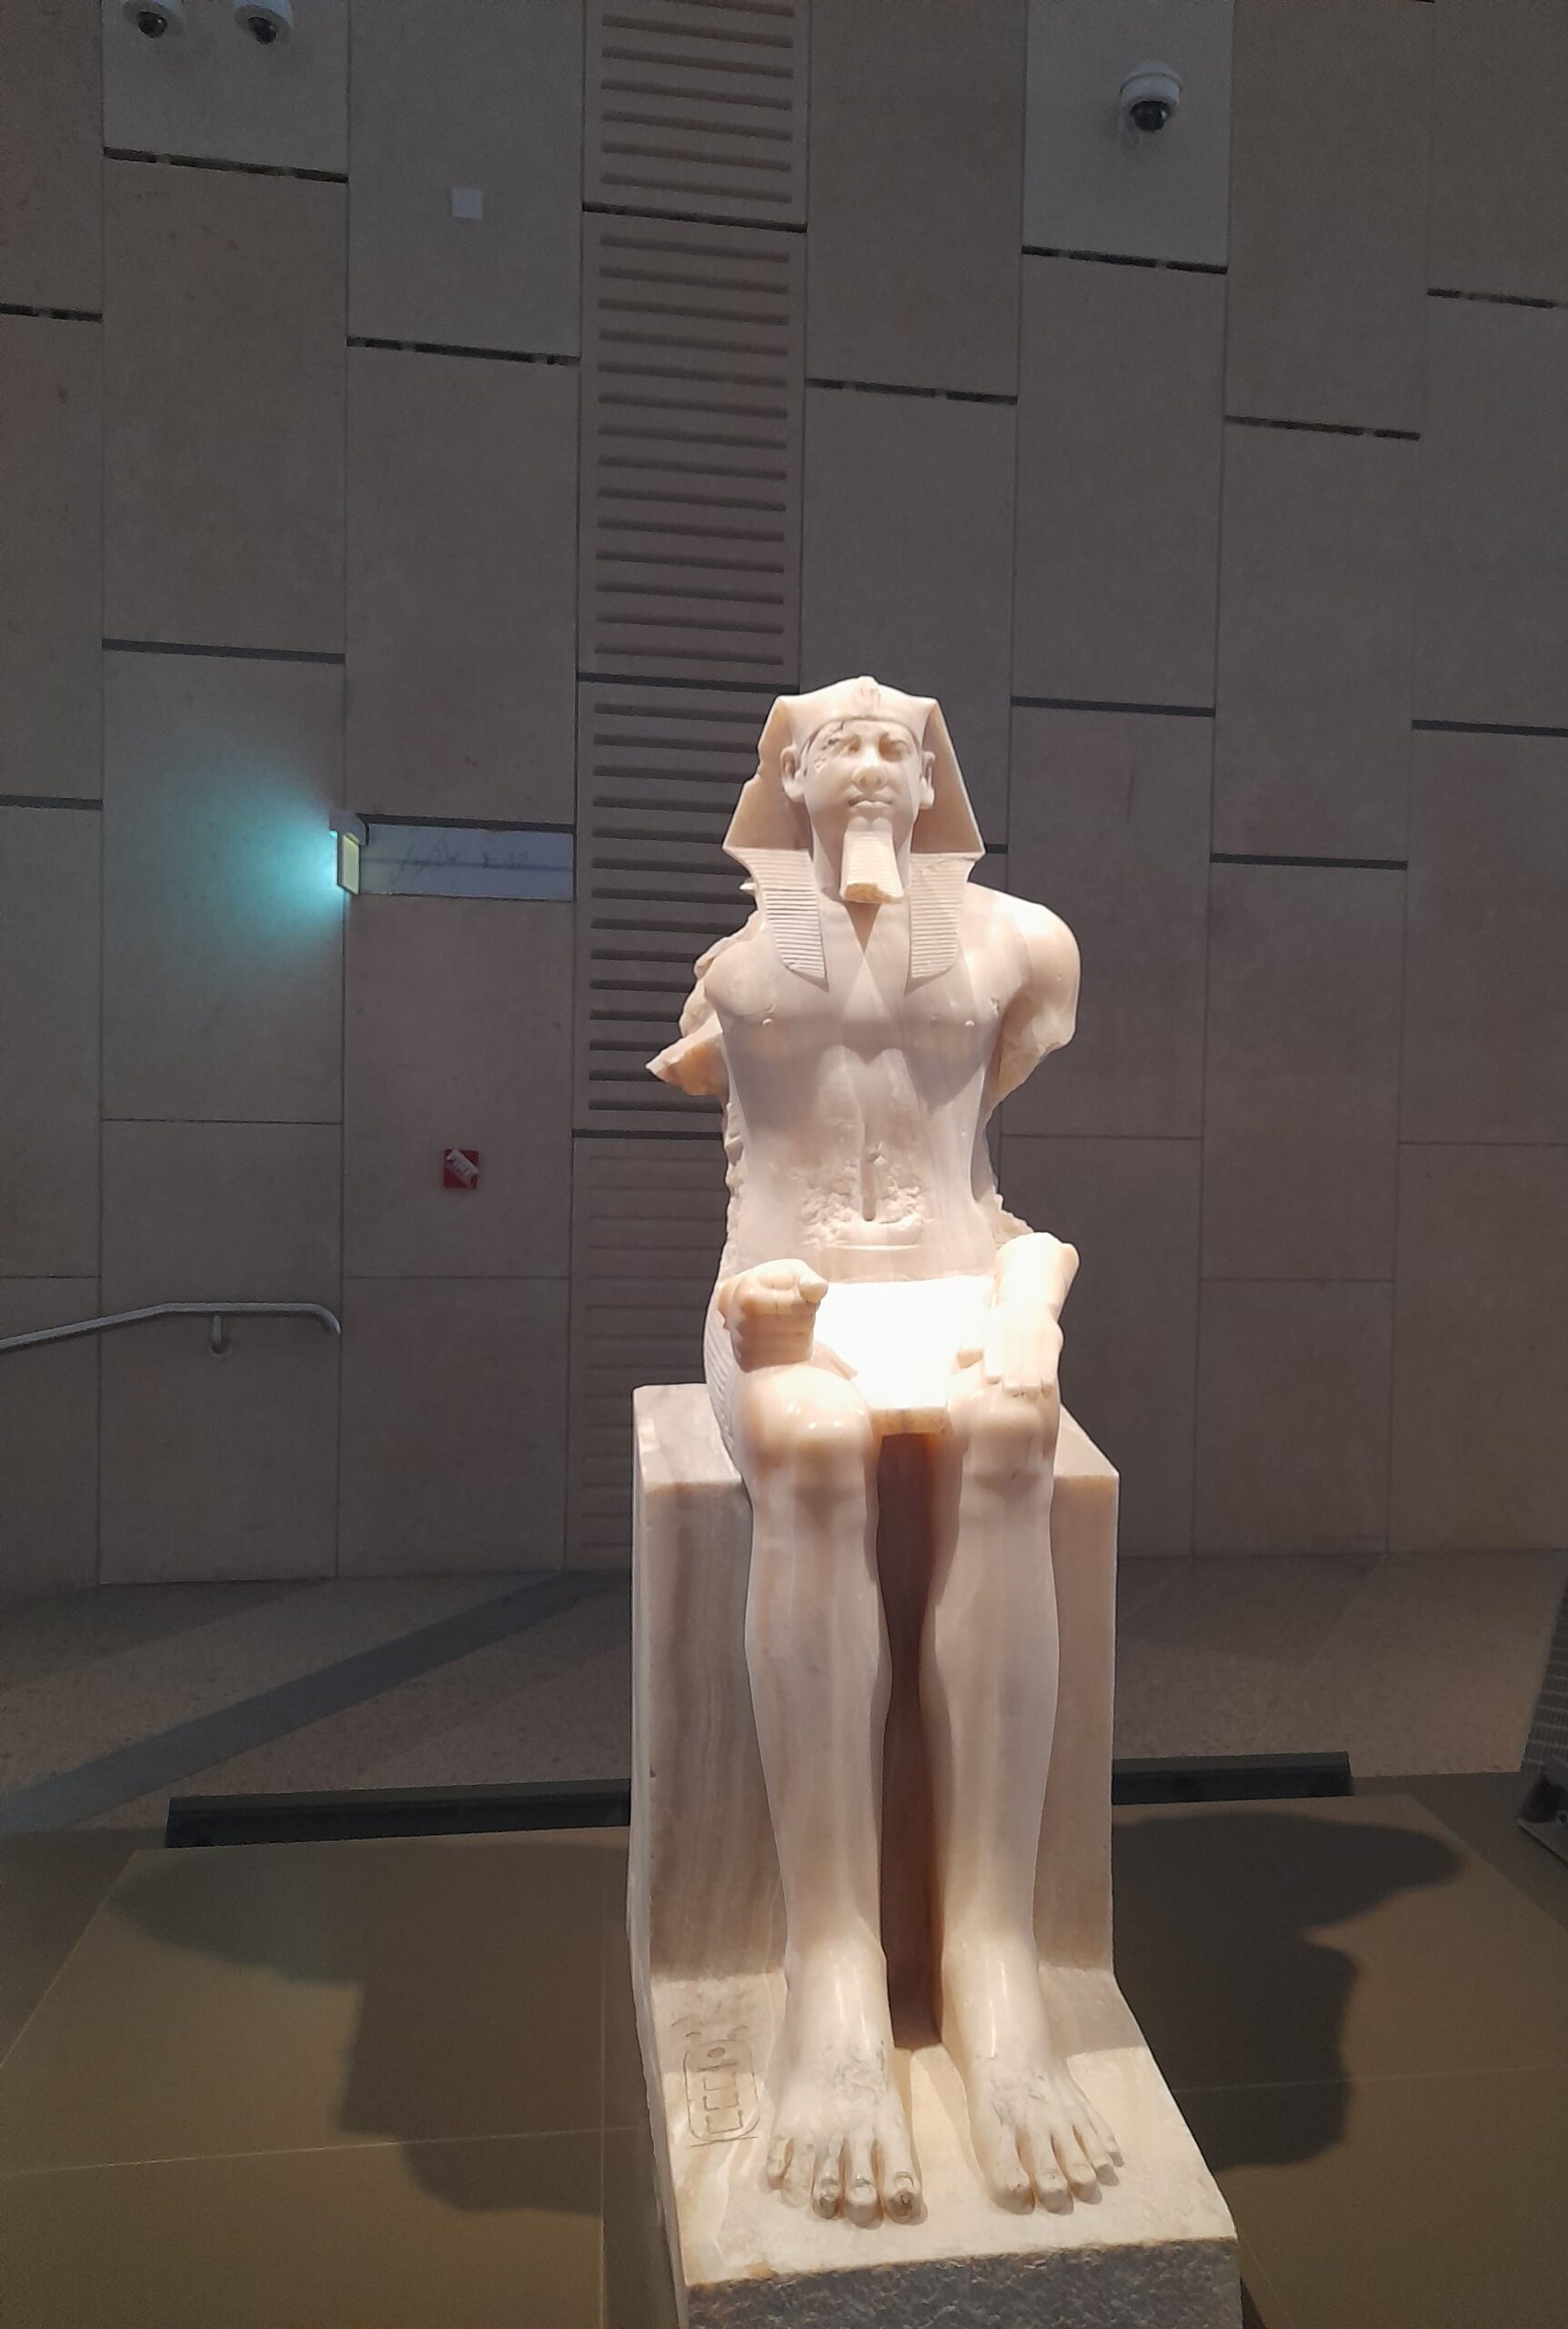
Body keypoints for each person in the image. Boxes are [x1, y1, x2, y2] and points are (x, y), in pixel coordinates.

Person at [649, 677, 1119, 2226]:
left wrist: (1026, 1305)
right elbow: (740, 1157)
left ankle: (991, 1956)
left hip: (960, 1287)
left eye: (891, 746)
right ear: (784, 779)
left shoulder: (1023, 945)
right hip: (783, 1294)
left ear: (932, 781)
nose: (863, 763)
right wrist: (769, 1310)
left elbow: (997, 1193)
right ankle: (832, 1966)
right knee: (810, 1448)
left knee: (1011, 1435)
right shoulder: (734, 967)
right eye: (831, 745)